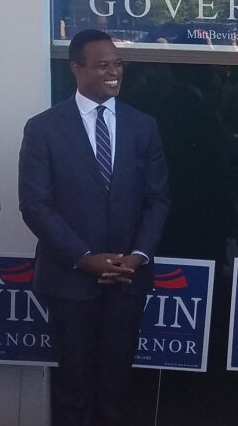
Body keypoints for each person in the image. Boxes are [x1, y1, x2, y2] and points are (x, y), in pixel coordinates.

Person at [18, 29, 170, 426]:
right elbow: (35, 204)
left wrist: (137, 256)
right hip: (70, 282)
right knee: (74, 386)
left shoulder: (144, 126)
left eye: (117, 64)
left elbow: (158, 200)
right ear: (76, 68)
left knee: (117, 383)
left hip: (127, 280)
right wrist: (84, 258)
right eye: (102, 65)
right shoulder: (44, 128)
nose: (113, 72)